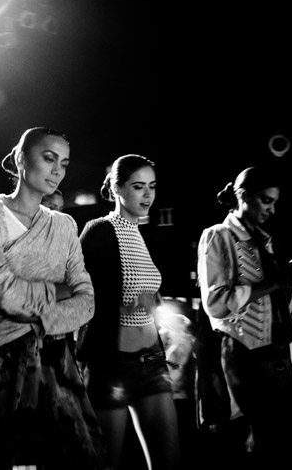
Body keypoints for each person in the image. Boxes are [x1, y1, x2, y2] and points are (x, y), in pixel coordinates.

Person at [0, 127, 104, 469]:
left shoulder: (65, 225)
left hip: (55, 360)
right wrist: (57, 293)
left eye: (65, 163)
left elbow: (87, 301)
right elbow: (2, 290)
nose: (58, 170)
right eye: (49, 158)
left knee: (77, 456)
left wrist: (39, 313)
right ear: (19, 159)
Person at [197, 166, 292, 468]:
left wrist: (289, 281)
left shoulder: (264, 239)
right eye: (265, 200)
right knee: (264, 443)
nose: (272, 209)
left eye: (274, 202)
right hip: (244, 352)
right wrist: (276, 281)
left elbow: (268, 300)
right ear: (242, 196)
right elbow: (216, 304)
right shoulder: (217, 235)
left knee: (288, 441)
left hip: (277, 349)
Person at [77, 154, 180, 470]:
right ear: (118, 188)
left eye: (152, 186)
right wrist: (123, 304)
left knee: (170, 461)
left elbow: (139, 289)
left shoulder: (140, 233)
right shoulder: (100, 230)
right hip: (113, 364)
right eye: (138, 187)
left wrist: (151, 301)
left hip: (152, 360)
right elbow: (79, 295)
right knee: (106, 463)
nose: (148, 195)